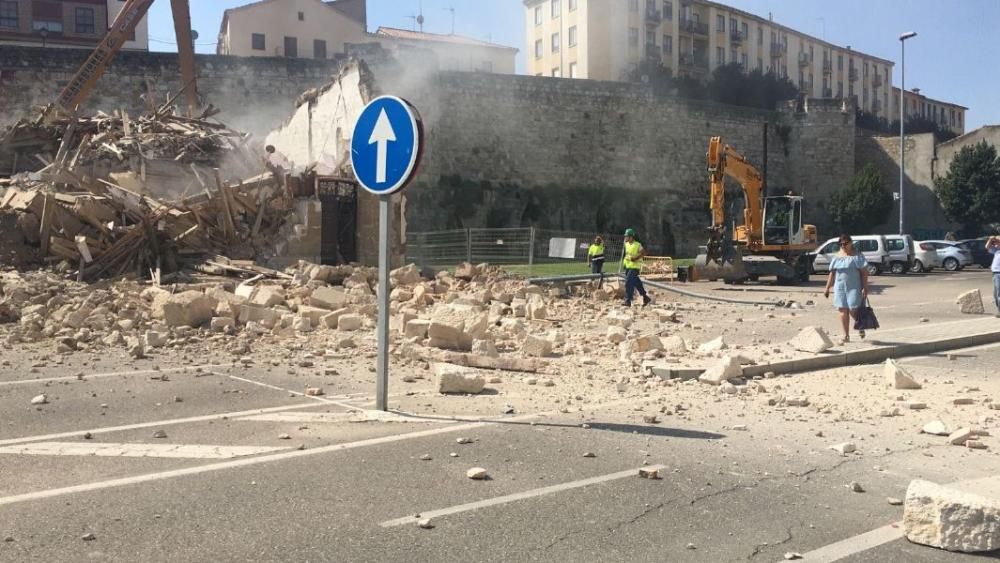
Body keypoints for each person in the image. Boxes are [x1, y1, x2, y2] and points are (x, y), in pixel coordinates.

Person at [824, 234, 871, 344]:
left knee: (852, 309)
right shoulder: (837, 257)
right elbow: (832, 273)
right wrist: (827, 288)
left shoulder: (857, 256)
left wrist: (865, 287)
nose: (843, 246)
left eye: (845, 243)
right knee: (842, 310)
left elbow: (864, 273)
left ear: (851, 243)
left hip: (854, 287)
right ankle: (846, 335)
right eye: (841, 244)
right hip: (840, 287)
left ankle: (860, 325)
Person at [622, 228, 652, 307]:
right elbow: (627, 255)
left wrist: (635, 258)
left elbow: (644, 252)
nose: (625, 237)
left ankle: (628, 300)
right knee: (637, 283)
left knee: (628, 282)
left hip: (635, 267)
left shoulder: (637, 244)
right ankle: (645, 297)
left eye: (627, 236)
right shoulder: (626, 244)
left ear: (631, 237)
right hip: (628, 267)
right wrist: (624, 264)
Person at [987, 235, 1000, 317]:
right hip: (995, 274)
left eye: (997, 242)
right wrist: (990, 239)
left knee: (999, 294)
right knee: (995, 294)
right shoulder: (996, 250)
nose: (995, 243)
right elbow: (987, 247)